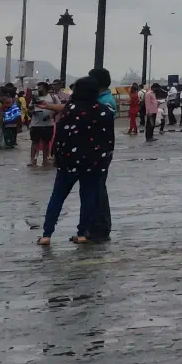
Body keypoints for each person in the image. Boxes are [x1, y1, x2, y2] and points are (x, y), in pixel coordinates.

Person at [36, 76, 115, 244]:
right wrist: (104, 160)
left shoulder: (69, 110)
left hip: (68, 161)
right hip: (93, 163)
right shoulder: (104, 111)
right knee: (87, 198)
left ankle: (46, 235)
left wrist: (55, 155)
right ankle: (82, 234)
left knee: (57, 197)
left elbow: (60, 135)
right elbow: (109, 140)